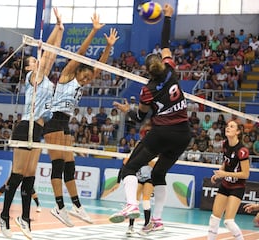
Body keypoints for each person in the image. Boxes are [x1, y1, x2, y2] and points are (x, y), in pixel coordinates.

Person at [109, 4, 191, 233]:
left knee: (128, 170)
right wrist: (167, 17)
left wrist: (128, 110)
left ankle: (131, 205)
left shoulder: (148, 90)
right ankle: (157, 220)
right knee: (158, 174)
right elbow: (166, 44)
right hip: (184, 134)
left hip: (162, 133)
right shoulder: (171, 70)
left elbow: (139, 119)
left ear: (147, 70)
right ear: (161, 64)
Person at [43, 13, 119, 227]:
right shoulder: (67, 75)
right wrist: (94, 31)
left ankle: (76, 205)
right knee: (58, 165)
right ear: (79, 71)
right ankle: (59, 207)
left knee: (70, 166)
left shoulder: (84, 80)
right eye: (84, 76)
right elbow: (81, 53)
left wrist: (108, 47)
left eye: (88, 78)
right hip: (53, 121)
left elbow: (100, 67)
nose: (86, 80)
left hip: (64, 123)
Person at [0, 7, 64, 239]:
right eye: (35, 60)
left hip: (39, 129)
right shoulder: (33, 78)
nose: (40, 61)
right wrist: (53, 33)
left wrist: (59, 28)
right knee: (18, 173)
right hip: (26, 126)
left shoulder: (45, 79)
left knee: (30, 175)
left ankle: (24, 217)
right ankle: (3, 215)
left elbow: (51, 54)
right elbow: (48, 56)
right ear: (30, 67)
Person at [208, 120, 250, 240]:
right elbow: (226, 162)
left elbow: (246, 174)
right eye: (227, 126)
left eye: (231, 127)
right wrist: (219, 173)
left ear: (237, 132)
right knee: (214, 218)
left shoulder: (242, 151)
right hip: (225, 184)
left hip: (237, 187)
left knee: (228, 221)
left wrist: (224, 173)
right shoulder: (225, 144)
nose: (228, 128)